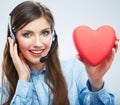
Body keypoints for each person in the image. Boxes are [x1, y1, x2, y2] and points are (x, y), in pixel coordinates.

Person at [0, 1, 119, 105]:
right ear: (13, 39)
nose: (38, 43)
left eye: (45, 33)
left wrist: (96, 82)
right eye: (27, 34)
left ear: (53, 36)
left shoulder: (75, 70)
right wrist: (23, 81)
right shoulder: (6, 86)